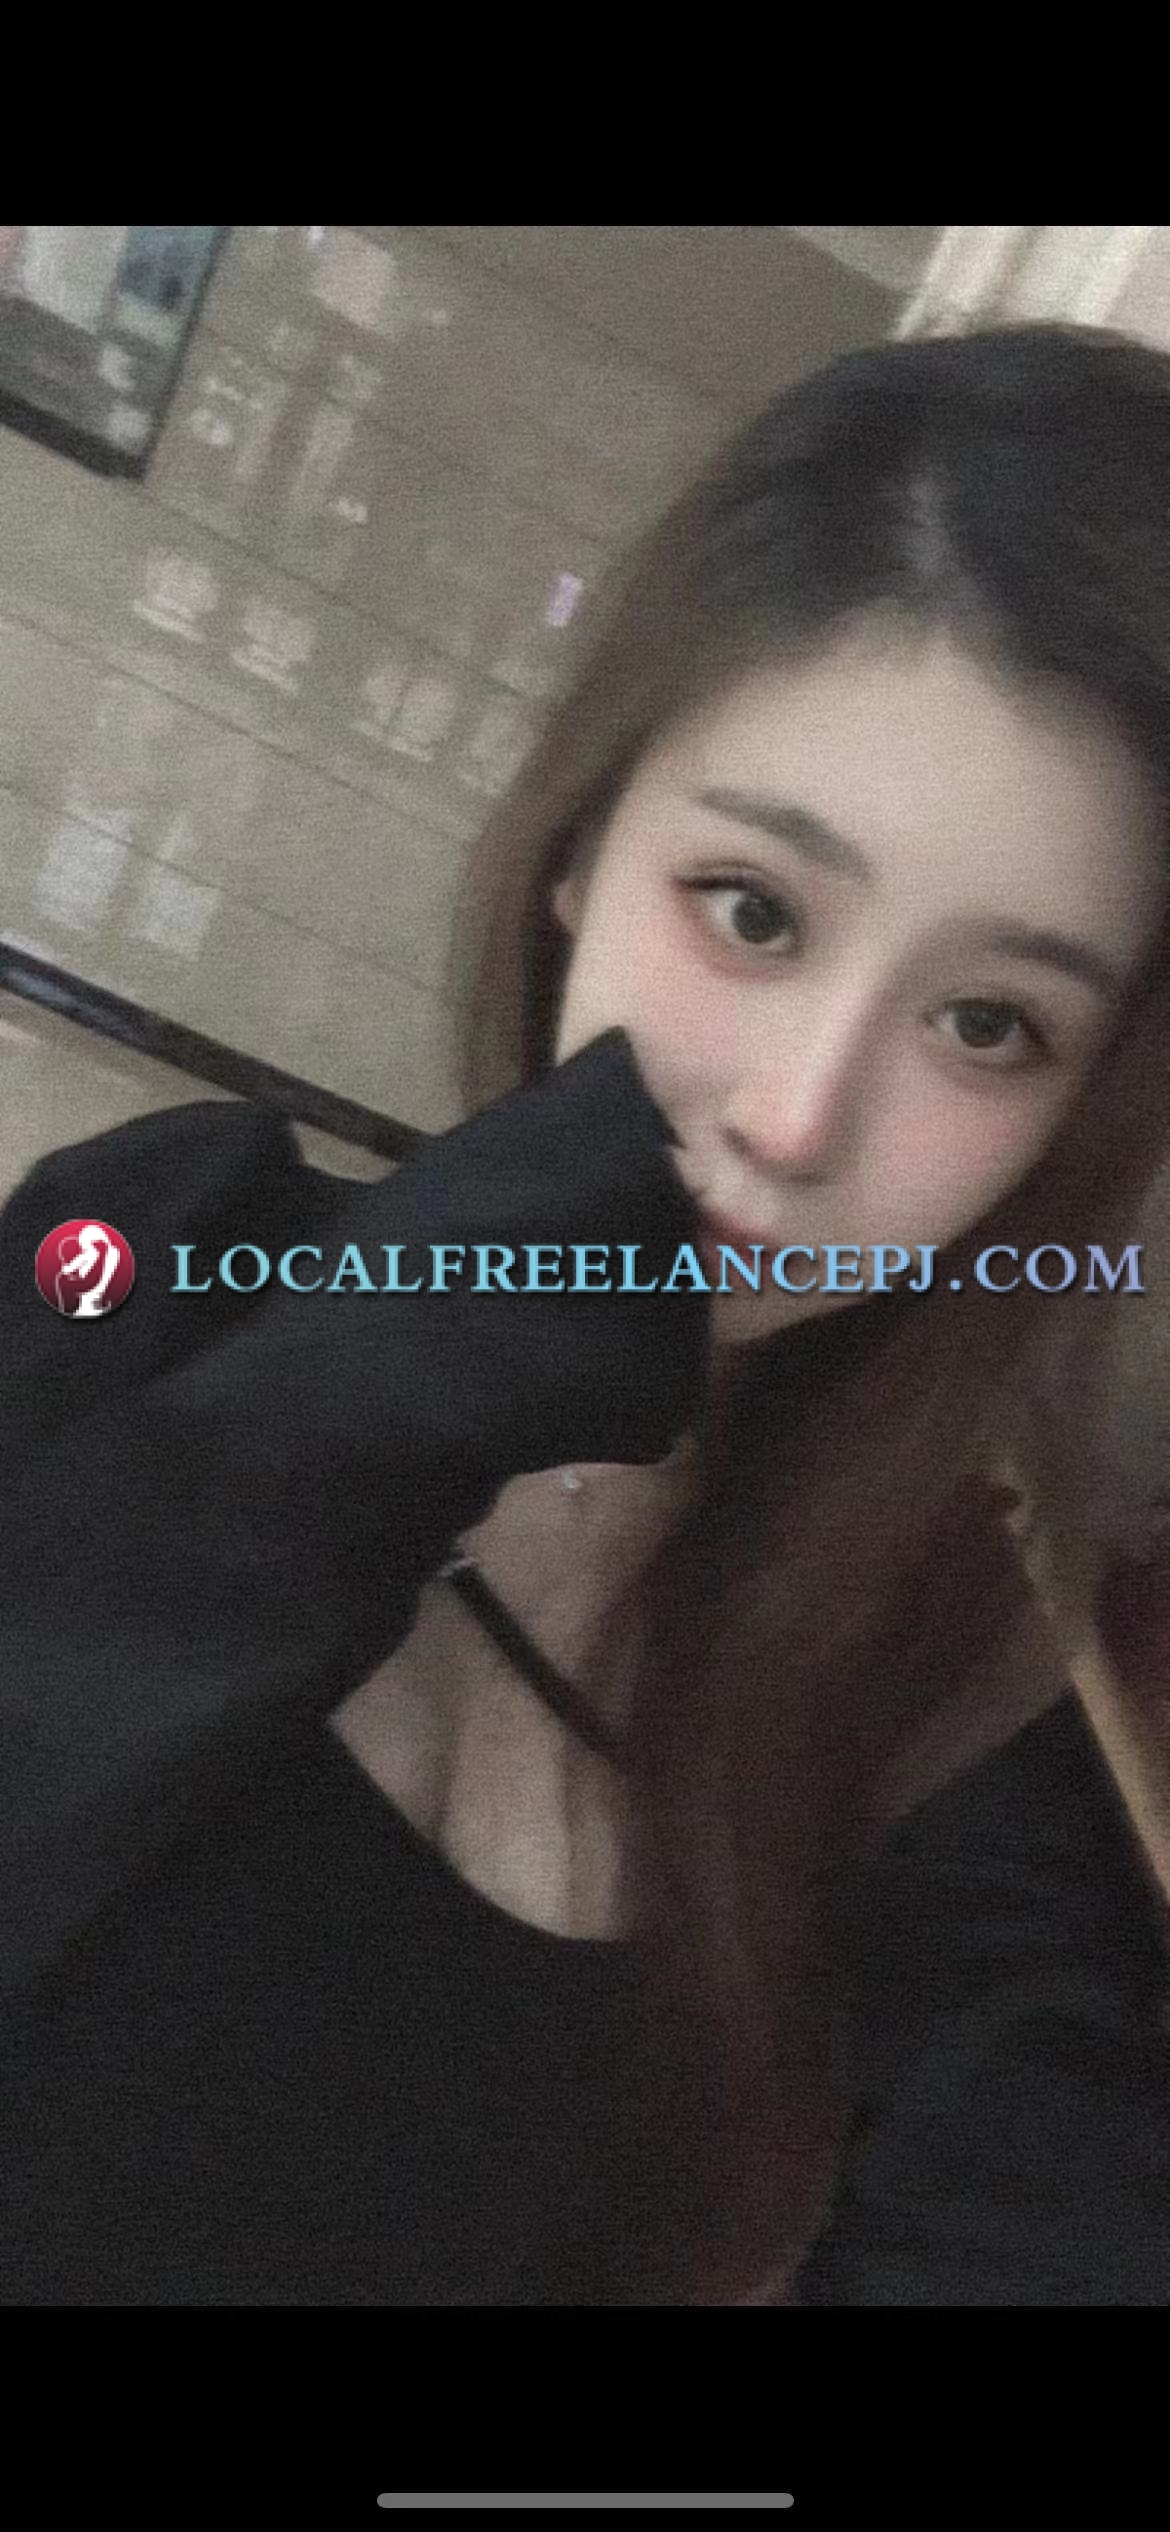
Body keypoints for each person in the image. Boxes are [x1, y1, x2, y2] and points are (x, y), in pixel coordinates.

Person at [2, 318, 1170, 2307]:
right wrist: (334, 1407)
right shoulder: (163, 1271)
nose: (797, 1119)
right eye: (752, 910)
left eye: (989, 1025)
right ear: (582, 848)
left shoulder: (953, 1705)